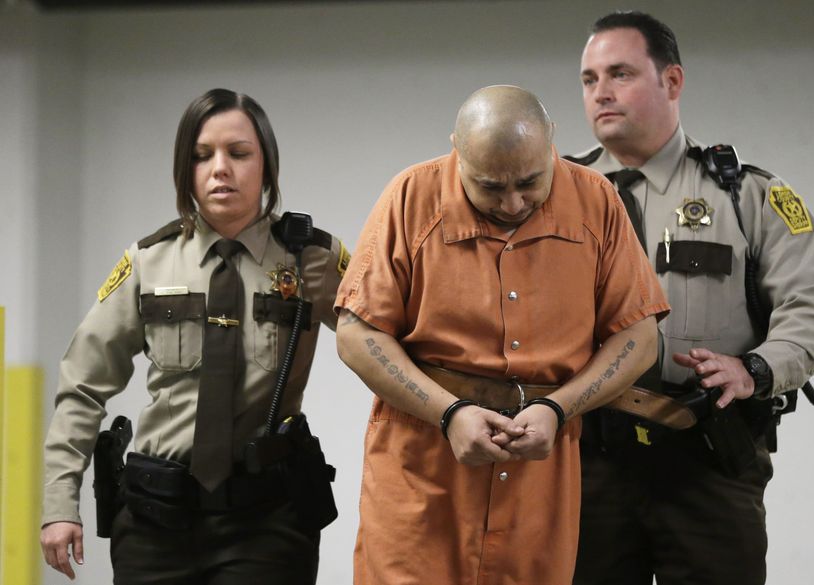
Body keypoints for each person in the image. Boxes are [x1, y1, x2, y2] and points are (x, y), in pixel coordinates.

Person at [334, 85, 670, 585]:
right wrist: (448, 414)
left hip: (541, 469)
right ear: (457, 150)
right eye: (490, 187)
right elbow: (357, 334)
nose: (513, 202)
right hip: (422, 465)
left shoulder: (597, 200)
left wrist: (558, 409)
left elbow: (638, 336)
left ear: (552, 141)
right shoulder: (410, 197)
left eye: (531, 181)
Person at [566, 11, 814, 585]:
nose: (602, 93)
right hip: (588, 464)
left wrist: (755, 369)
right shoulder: (556, 196)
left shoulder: (748, 194)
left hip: (708, 459)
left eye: (620, 73)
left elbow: (813, 308)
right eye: (590, 79)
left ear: (672, 82)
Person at [39, 88, 348, 584]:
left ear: (266, 165)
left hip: (267, 523)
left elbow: (385, 340)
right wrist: (59, 504)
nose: (220, 168)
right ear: (186, 170)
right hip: (155, 520)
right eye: (202, 156)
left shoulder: (311, 258)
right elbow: (82, 385)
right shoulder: (148, 261)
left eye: (239, 153)